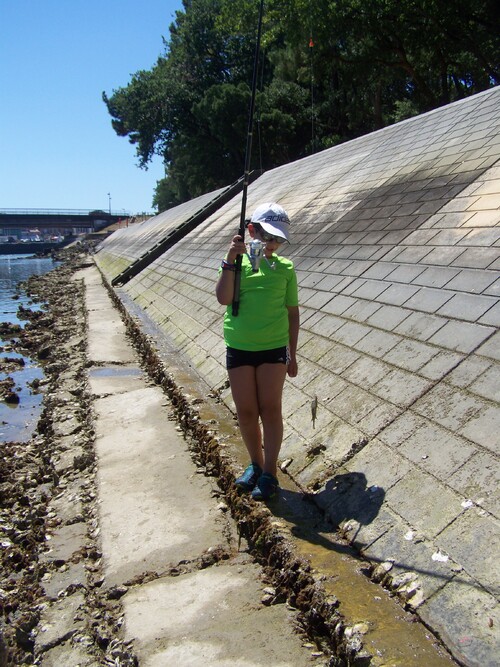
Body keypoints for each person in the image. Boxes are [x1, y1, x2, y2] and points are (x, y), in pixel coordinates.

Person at [216, 202, 300, 501]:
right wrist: (230, 258)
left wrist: (292, 352)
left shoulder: (286, 268)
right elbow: (224, 298)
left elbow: (292, 313)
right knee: (247, 411)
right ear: (252, 231)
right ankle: (254, 464)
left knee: (270, 408)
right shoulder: (236, 263)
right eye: (268, 237)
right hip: (239, 346)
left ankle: (270, 472)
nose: (273, 244)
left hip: (274, 348)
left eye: (278, 239)